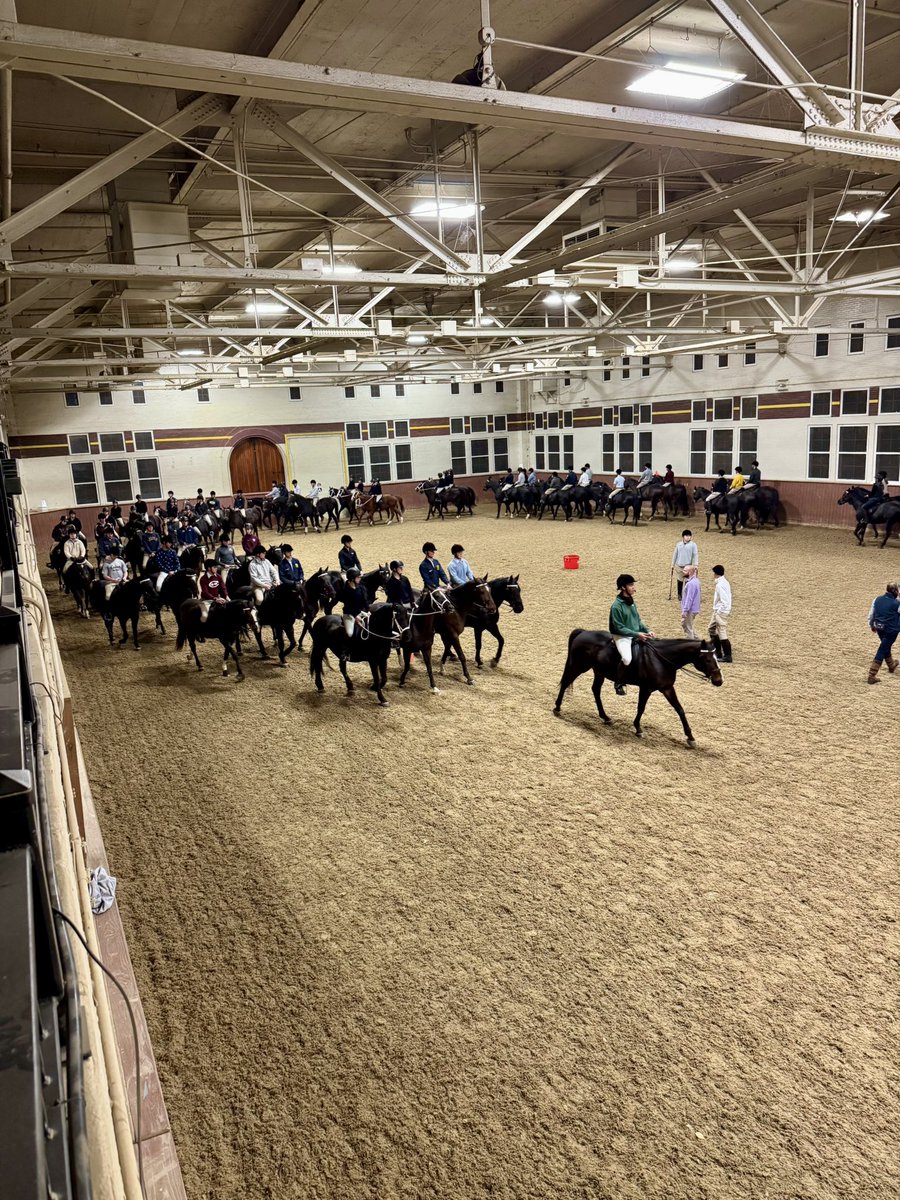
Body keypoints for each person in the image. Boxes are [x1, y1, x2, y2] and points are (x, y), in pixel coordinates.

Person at [609, 573, 654, 695]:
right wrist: (637, 634)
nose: (634, 587)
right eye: (631, 585)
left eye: (633, 584)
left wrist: (647, 630)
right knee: (627, 658)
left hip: (634, 633)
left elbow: (638, 620)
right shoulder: (616, 606)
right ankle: (618, 682)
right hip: (621, 636)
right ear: (623, 587)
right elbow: (619, 627)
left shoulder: (631, 602)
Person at [866, 581, 900, 683]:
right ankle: (872, 674)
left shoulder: (877, 599)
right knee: (882, 649)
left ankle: (891, 665)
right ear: (895, 591)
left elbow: (871, 614)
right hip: (891, 630)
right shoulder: (896, 604)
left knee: (885, 646)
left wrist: (871, 625)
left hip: (879, 628)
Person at [708, 565, 733, 663]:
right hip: (719, 611)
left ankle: (727, 655)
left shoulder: (720, 585)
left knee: (722, 632)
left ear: (716, 574)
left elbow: (724, 600)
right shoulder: (724, 582)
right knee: (711, 628)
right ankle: (718, 652)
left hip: (720, 611)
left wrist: (719, 612)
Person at [340, 567, 370, 639]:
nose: (360, 579)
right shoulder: (345, 591)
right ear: (352, 579)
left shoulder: (361, 588)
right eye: (358, 577)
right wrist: (355, 616)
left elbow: (365, 601)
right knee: (349, 634)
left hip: (361, 612)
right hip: (349, 614)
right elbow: (348, 606)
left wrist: (368, 610)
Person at [671, 529, 699, 600]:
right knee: (679, 580)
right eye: (686, 536)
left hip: (688, 566)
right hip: (679, 566)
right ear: (683, 537)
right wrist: (672, 564)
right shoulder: (678, 544)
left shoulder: (693, 545)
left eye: (689, 536)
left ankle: (686, 594)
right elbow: (675, 554)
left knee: (687, 581)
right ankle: (679, 594)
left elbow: (695, 555)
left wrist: (695, 565)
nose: (688, 537)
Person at [680, 564, 701, 638]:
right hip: (695, 609)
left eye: (685, 571)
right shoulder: (696, 581)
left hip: (690, 610)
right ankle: (697, 641)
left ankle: (691, 642)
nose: (683, 572)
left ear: (689, 572)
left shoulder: (690, 584)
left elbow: (689, 598)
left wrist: (685, 611)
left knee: (688, 627)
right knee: (689, 625)